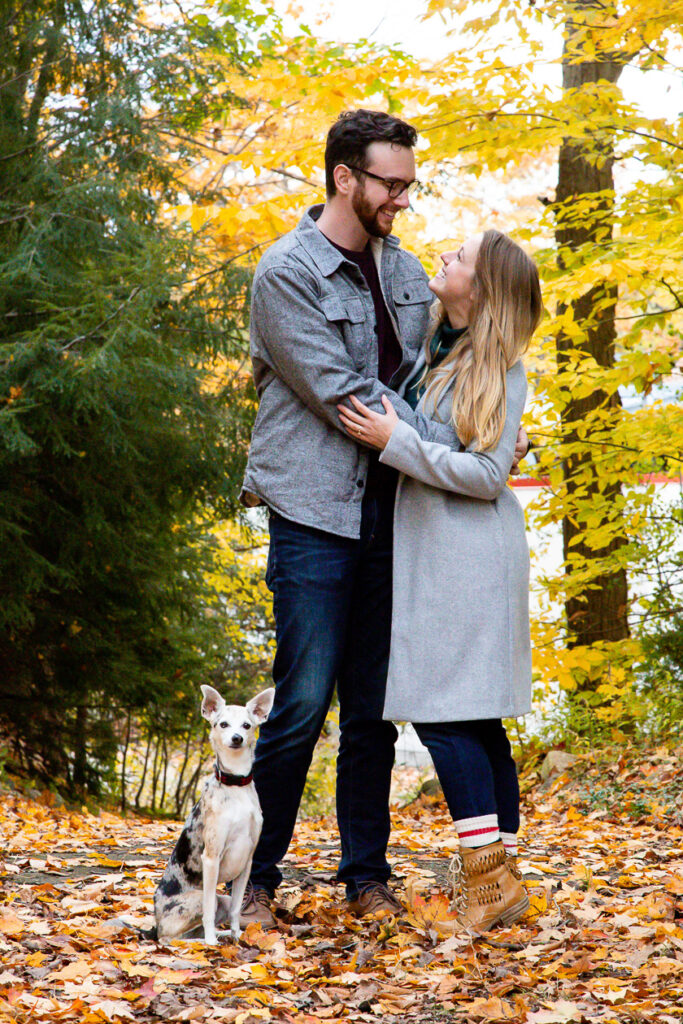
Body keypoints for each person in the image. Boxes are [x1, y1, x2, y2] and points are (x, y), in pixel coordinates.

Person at [240, 109, 528, 925]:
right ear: (344, 178)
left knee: (373, 708)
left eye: (408, 183)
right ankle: (254, 877)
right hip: (312, 512)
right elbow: (348, 398)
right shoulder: (286, 274)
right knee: (300, 702)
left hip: (398, 518)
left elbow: (455, 362)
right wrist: (473, 447)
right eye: (389, 184)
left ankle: (365, 876)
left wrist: (492, 431)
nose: (403, 198)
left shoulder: (405, 273)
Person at [338, 229, 542, 933]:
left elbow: (486, 478)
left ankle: (487, 884)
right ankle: (500, 884)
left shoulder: (498, 368)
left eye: (459, 259)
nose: (444, 259)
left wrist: (395, 442)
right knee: (474, 718)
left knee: (446, 712)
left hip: (467, 559)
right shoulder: (435, 347)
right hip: (436, 555)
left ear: (480, 290)